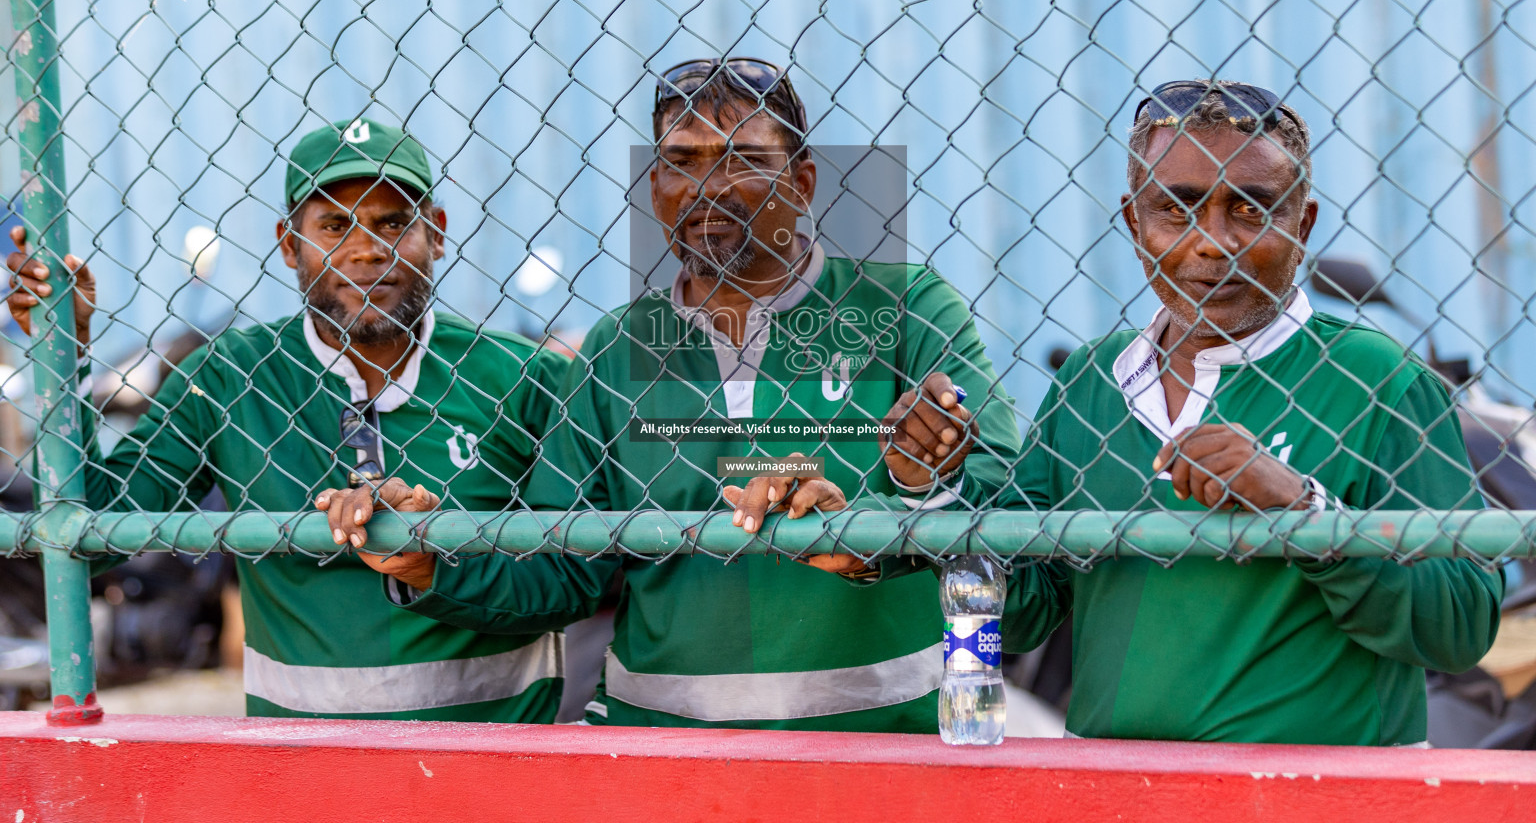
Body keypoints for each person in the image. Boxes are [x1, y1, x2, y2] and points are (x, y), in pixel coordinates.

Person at [327, 58, 1021, 731]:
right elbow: (561, 569)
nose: (707, 188)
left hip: (879, 741)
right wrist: (429, 565)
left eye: (743, 158)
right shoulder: (616, 350)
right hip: (660, 752)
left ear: (803, 182)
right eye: (680, 163)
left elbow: (1000, 489)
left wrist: (874, 527)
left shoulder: (901, 307)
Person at [910, 79, 1504, 744]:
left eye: (1251, 209)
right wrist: (935, 487)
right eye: (1178, 209)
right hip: (1114, 789)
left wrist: (1307, 515)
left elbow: (1461, 627)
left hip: (1318, 791)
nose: (1213, 241)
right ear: (1135, 222)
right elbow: (1021, 615)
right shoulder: (1090, 384)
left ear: (1302, 225)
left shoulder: (1379, 379)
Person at [6, 118, 570, 722]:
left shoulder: (520, 375)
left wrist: (432, 568)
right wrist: (66, 358)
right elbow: (89, 538)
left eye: (393, 222)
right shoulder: (228, 376)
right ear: (287, 243)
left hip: (497, 764)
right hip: (298, 771)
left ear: (435, 232)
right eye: (333, 225)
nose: (366, 247)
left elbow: (575, 579)